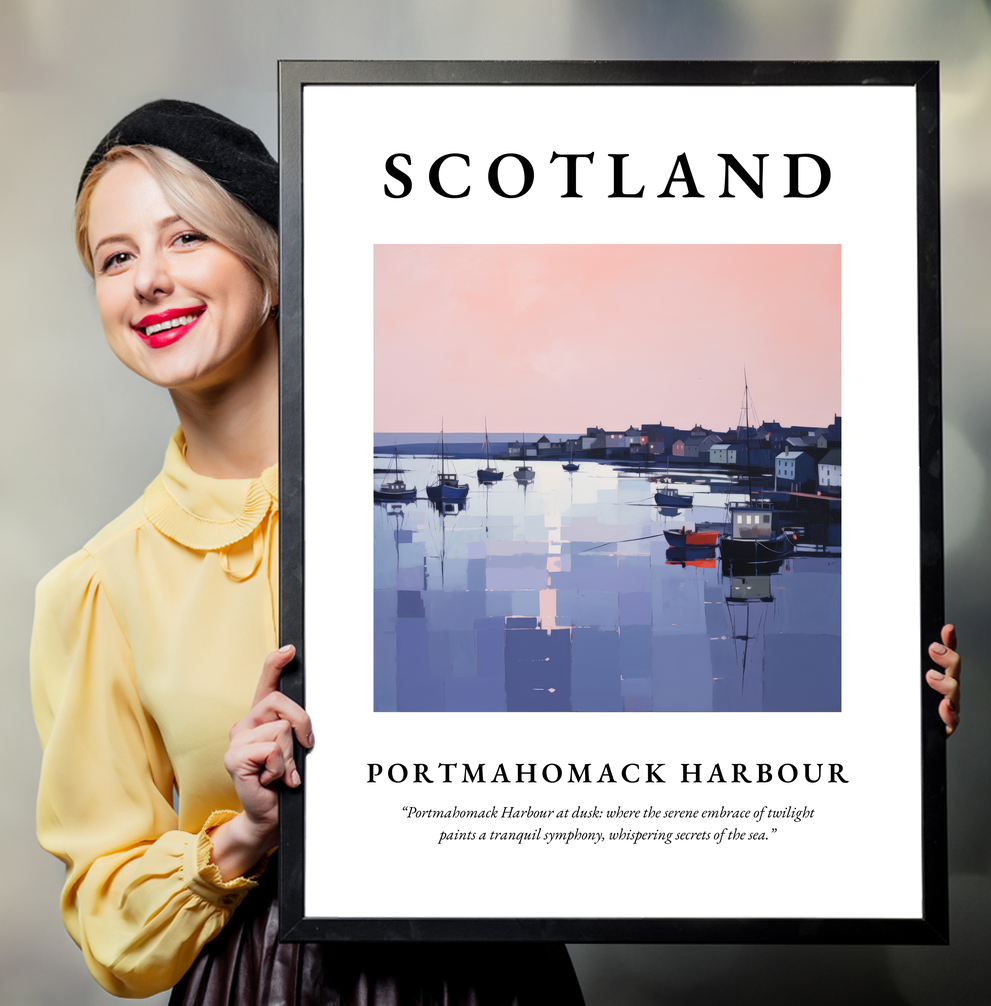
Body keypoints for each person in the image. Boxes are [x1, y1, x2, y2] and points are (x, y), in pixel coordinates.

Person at [30, 100, 585, 1004]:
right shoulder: (98, 587)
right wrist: (244, 832)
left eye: (186, 238)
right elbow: (110, 923)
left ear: (273, 264)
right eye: (116, 257)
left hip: (492, 972)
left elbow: (596, 709)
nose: (148, 281)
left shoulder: (446, 507)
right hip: (263, 982)